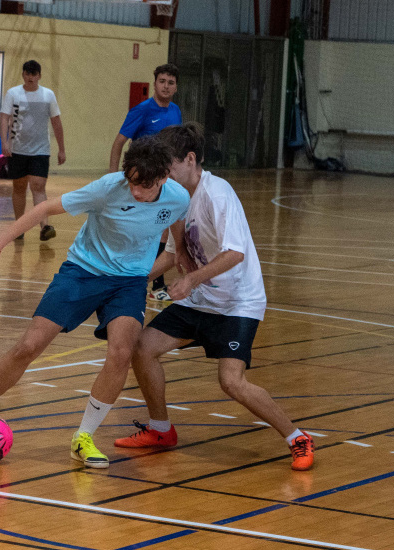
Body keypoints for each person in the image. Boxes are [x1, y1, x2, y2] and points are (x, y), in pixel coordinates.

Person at [0, 136, 189, 469]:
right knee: (29, 346)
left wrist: (182, 259)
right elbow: (45, 208)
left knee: (122, 352)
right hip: (83, 271)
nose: (136, 191)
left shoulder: (178, 197)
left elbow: (176, 225)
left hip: (128, 283)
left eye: (145, 186)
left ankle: (84, 437)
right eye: (132, 182)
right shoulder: (108, 188)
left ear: (164, 177)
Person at [113, 122, 314, 471]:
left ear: (190, 160)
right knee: (142, 348)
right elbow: (175, 254)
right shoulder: (177, 199)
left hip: (238, 302)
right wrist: (131, 280)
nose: (163, 175)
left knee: (231, 382)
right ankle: (161, 430)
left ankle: (297, 437)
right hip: (201, 298)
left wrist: (190, 281)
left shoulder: (217, 194)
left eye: (168, 167)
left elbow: (235, 252)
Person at [109, 64, 182, 301]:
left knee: (162, 230)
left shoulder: (176, 112)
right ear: (155, 83)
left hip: (165, 181)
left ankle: (154, 283)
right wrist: (114, 177)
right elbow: (119, 142)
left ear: (176, 86)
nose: (166, 86)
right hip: (144, 183)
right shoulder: (141, 110)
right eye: (162, 81)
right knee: (141, 230)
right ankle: (130, 277)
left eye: (171, 82)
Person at [0, 60, 65, 242]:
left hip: (40, 150)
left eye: (34, 74)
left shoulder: (48, 95)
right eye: (27, 74)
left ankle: (44, 226)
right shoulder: (13, 94)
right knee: (19, 187)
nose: (30, 77)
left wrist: (61, 148)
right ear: (23, 75)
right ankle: (18, 227)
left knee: (38, 186)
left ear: (39, 76)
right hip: (17, 149)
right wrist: (4, 142)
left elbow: (56, 123)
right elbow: (4, 118)